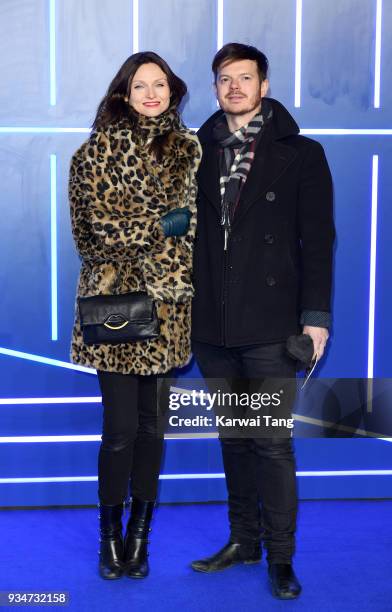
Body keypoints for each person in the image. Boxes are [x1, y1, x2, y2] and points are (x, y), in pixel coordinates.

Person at [190, 43, 335, 599]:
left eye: (244, 78)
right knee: (234, 440)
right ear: (216, 88)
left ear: (264, 85)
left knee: (270, 442)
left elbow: (318, 243)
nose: (234, 88)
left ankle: (280, 557)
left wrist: (315, 318)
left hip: (273, 324)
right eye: (224, 79)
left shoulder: (302, 154)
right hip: (213, 325)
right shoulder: (194, 152)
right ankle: (243, 542)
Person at [68, 51, 201, 580]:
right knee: (119, 430)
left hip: (169, 307)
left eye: (160, 84)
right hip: (117, 306)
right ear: (123, 93)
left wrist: (159, 226)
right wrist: (160, 226)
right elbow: (93, 239)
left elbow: (195, 229)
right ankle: (109, 538)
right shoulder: (93, 154)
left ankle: (139, 537)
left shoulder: (190, 150)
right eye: (140, 85)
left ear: (172, 90)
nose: (151, 93)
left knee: (152, 432)